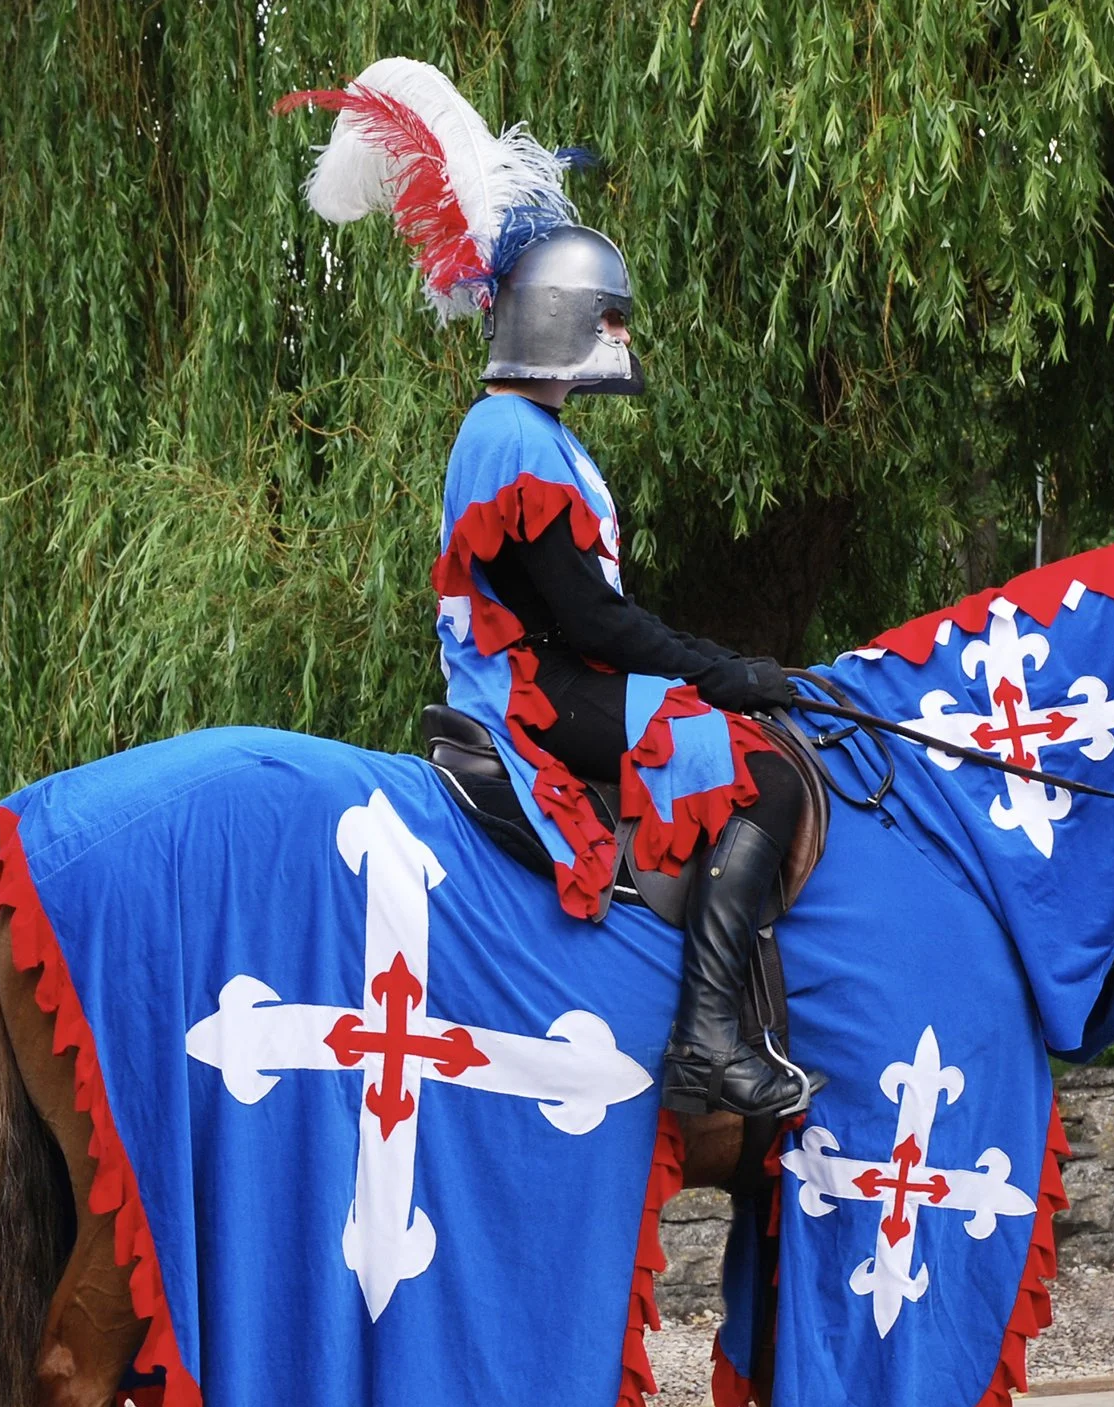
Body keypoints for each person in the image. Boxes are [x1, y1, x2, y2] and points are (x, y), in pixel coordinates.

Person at [285, 58, 821, 1118]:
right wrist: (725, 675)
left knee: (731, 738)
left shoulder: (531, 432)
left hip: (556, 668)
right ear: (562, 317)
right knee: (761, 777)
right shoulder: (511, 435)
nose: (617, 337)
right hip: (532, 688)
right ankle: (710, 1043)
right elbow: (587, 617)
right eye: (607, 317)